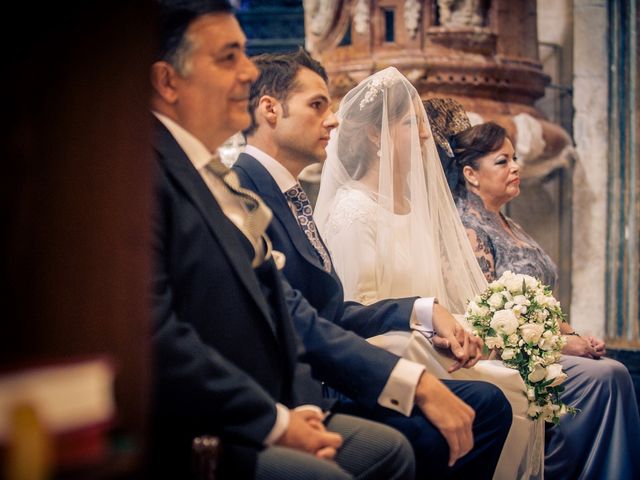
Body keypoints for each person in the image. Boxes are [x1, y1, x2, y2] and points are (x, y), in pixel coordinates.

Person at [149, 1, 419, 478]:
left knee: (395, 448)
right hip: (201, 427)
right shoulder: (150, 173)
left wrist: (404, 375)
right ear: (168, 81)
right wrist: (276, 421)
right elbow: (160, 336)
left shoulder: (212, 175)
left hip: (281, 396)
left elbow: (286, 304)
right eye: (228, 57)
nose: (249, 72)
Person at [233, 53, 513, 479]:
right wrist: (409, 381)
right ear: (270, 109)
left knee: (488, 403)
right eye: (317, 105)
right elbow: (294, 320)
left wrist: (420, 308)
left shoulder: (282, 193)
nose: (332, 121)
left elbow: (326, 310)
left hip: (320, 376)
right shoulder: (242, 195)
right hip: (297, 393)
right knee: (478, 409)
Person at [313, 67, 544, 479]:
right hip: (386, 351)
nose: (425, 135)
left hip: (425, 340)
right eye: (411, 123)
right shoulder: (353, 211)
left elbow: (432, 296)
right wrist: (432, 335)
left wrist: (460, 332)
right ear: (375, 135)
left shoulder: (412, 208)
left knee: (523, 388)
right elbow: (352, 315)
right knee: (509, 395)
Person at [427, 98, 640, 479]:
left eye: (514, 158)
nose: (515, 167)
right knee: (608, 376)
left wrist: (575, 336)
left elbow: (538, 305)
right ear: (472, 175)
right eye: (502, 161)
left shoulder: (509, 224)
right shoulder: (470, 231)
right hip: (503, 356)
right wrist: (562, 344)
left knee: (610, 369)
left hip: (538, 346)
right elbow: (486, 316)